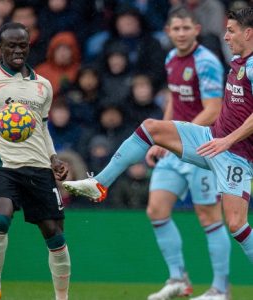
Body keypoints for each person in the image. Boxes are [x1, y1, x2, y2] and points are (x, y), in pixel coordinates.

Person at [63, 6, 253, 275]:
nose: (225, 37)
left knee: (236, 224)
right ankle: (99, 184)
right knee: (151, 128)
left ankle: (219, 287)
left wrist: (228, 140)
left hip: (236, 154)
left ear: (248, 33)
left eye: (231, 31)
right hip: (211, 138)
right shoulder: (234, 61)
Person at [0, 22, 71, 300]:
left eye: (23, 45)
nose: (18, 51)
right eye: (11, 45)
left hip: (39, 168)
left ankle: (62, 298)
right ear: (0, 48)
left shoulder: (43, 86)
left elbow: (42, 129)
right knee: (0, 219)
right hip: (2, 167)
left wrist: (54, 158)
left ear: (29, 47)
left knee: (55, 236)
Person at [144, 7, 231, 300]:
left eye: (186, 28)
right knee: (156, 209)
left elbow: (214, 109)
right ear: (168, 32)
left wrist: (178, 136)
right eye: (176, 29)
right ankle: (178, 280)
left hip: (203, 149)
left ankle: (221, 289)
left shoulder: (206, 61)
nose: (181, 33)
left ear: (196, 29)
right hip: (177, 148)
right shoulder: (170, 59)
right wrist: (163, 137)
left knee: (209, 217)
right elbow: (174, 100)